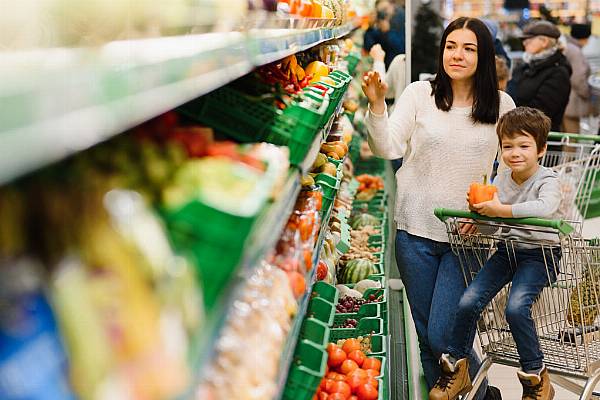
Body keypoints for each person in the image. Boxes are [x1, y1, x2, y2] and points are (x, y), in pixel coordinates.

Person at [362, 17, 515, 400]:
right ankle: (479, 395)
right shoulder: (418, 94)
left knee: (442, 334)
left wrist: (489, 210)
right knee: (426, 332)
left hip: (469, 238)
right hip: (414, 233)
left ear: (483, 55)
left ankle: (481, 396)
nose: (457, 55)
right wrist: (378, 106)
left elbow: (512, 172)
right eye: (451, 46)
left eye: (468, 48)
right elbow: (388, 148)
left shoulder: (502, 105)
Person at [429, 107, 562, 400]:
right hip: (506, 251)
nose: (515, 153)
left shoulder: (547, 180)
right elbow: (495, 230)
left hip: (540, 255)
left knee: (516, 308)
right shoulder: (501, 179)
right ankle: (456, 367)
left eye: (524, 146)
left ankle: (536, 378)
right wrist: (481, 219)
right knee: (468, 301)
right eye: (508, 146)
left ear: (541, 149)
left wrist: (501, 211)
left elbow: (545, 208)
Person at [507, 20, 572, 132]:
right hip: (518, 132)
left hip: (541, 139)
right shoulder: (526, 65)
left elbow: (541, 112)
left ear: (544, 42)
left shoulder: (558, 72)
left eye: (528, 39)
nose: (524, 43)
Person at [562, 23, 592, 133]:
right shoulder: (575, 52)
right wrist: (587, 93)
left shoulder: (567, 47)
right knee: (572, 139)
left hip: (564, 98)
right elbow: (578, 78)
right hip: (572, 102)